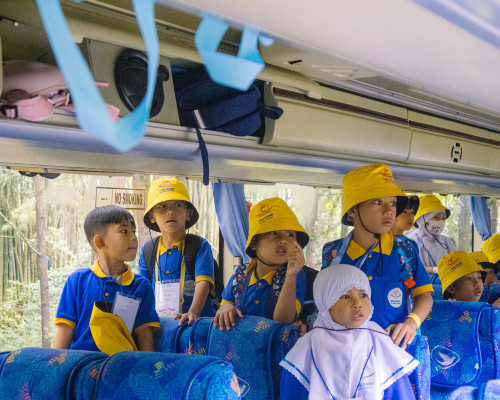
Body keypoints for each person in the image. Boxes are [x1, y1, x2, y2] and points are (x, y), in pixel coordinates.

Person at [322, 164, 433, 349]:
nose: (389, 211)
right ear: (353, 210)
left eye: (393, 203)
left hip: (394, 347)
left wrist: (411, 323)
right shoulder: (333, 253)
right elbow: (324, 301)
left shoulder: (405, 249)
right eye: (378, 202)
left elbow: (424, 295)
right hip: (345, 349)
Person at [280, 265, 419, 400]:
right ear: (325, 302)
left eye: (363, 295)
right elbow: (292, 393)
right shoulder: (306, 348)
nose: (357, 303)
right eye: (345, 296)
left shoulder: (380, 341)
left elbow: (399, 394)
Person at [54, 205, 159, 354]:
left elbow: (144, 336)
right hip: (81, 362)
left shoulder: (141, 286)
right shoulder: (77, 281)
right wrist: (55, 365)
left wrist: (145, 367)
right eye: (124, 231)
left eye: (134, 232)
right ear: (100, 242)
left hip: (120, 363)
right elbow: (65, 332)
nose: (134, 237)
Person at [215, 197, 308, 330]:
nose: (283, 240)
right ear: (253, 243)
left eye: (290, 235)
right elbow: (224, 306)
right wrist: (226, 308)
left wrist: (291, 276)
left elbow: (283, 320)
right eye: (274, 233)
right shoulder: (240, 274)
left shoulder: (296, 274)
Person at [138, 178, 215, 326]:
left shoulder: (199, 246)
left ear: (188, 213)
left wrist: (193, 313)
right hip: (161, 327)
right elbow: (143, 291)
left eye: (178, 205)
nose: (170, 212)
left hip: (197, 326)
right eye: (161, 206)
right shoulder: (147, 251)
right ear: (152, 216)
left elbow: (203, 283)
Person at [407, 194, 456, 274]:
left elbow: (457, 263)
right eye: (436, 217)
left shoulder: (446, 242)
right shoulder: (410, 241)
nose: (441, 221)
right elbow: (409, 268)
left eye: (443, 218)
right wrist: (435, 270)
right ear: (422, 220)